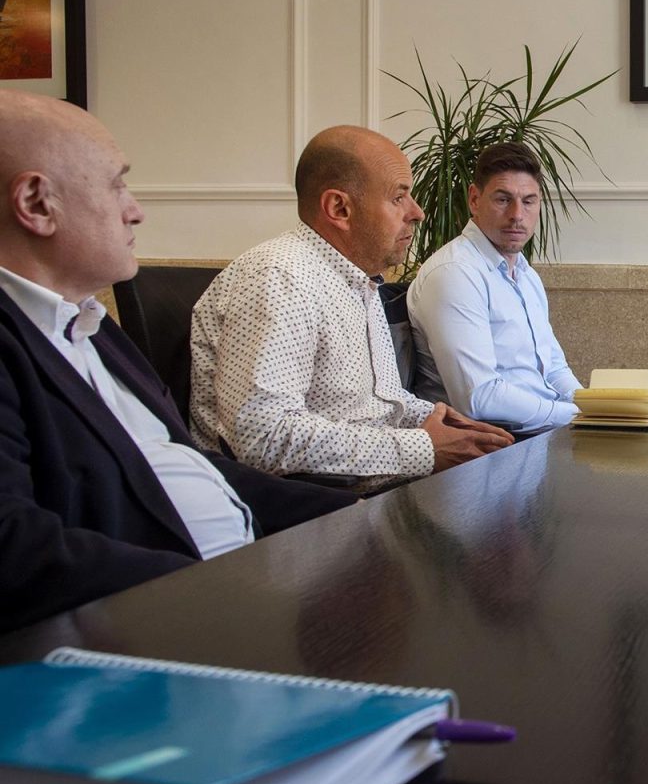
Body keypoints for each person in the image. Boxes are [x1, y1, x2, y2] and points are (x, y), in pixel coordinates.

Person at [0, 92, 354, 630]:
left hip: (244, 586)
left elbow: (185, 462)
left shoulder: (94, 326)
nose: (136, 210)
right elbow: (15, 551)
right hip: (152, 629)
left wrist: (356, 520)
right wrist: (209, 590)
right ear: (36, 204)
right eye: (117, 184)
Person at [190, 126, 513, 481]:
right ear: (339, 208)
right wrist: (421, 448)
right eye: (398, 198)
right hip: (306, 504)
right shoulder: (279, 278)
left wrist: (442, 423)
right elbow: (262, 438)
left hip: (364, 490)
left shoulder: (358, 279)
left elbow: (376, 405)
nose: (417, 212)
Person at [407, 142, 582, 433]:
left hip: (542, 429)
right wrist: (574, 416)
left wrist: (595, 409)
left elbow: (554, 369)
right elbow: (479, 397)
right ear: (474, 199)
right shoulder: (455, 273)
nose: (517, 214)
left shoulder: (526, 276)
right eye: (503, 200)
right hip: (493, 443)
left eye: (529, 201)